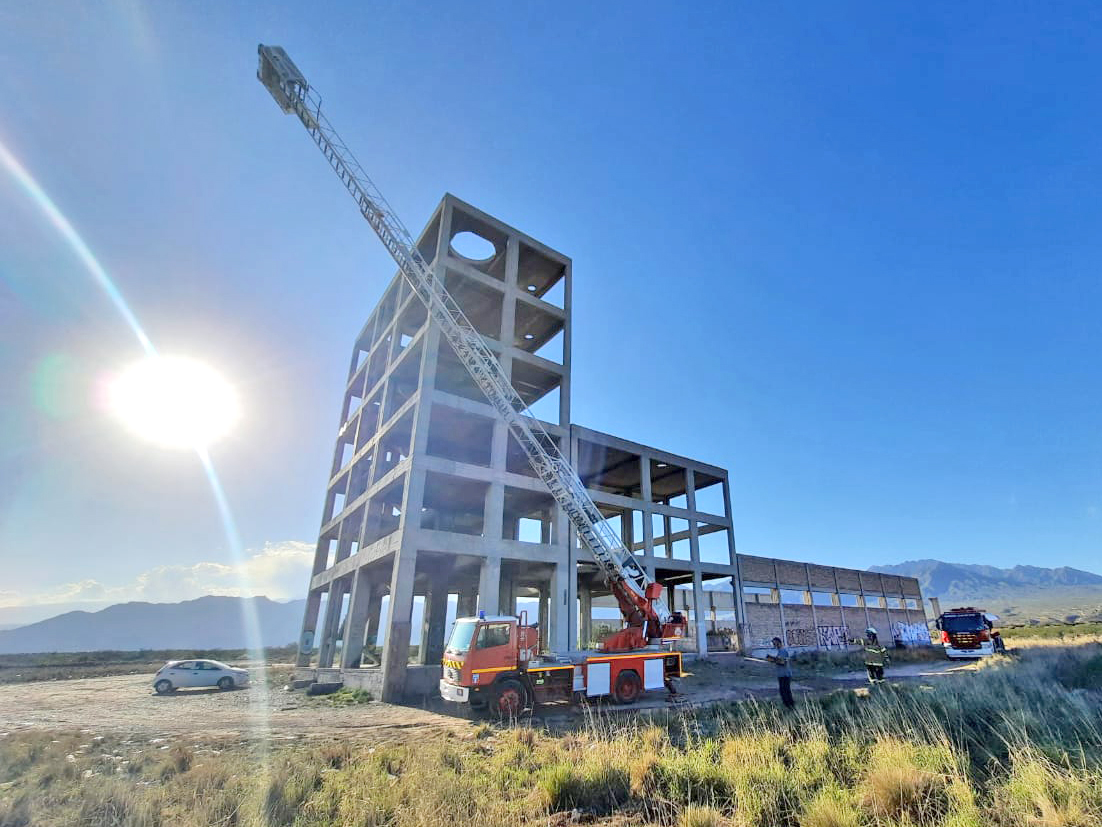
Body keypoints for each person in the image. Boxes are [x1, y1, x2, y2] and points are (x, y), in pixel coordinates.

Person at [765, 636, 795, 709]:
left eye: (775, 643)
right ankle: (788, 706)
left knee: (785, 691)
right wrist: (772, 659)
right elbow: (779, 660)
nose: (774, 645)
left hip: (785, 674)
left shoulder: (782, 651)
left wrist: (772, 659)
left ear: (779, 643)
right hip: (782, 674)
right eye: (773, 644)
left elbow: (782, 662)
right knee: (784, 691)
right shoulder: (780, 651)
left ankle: (790, 706)